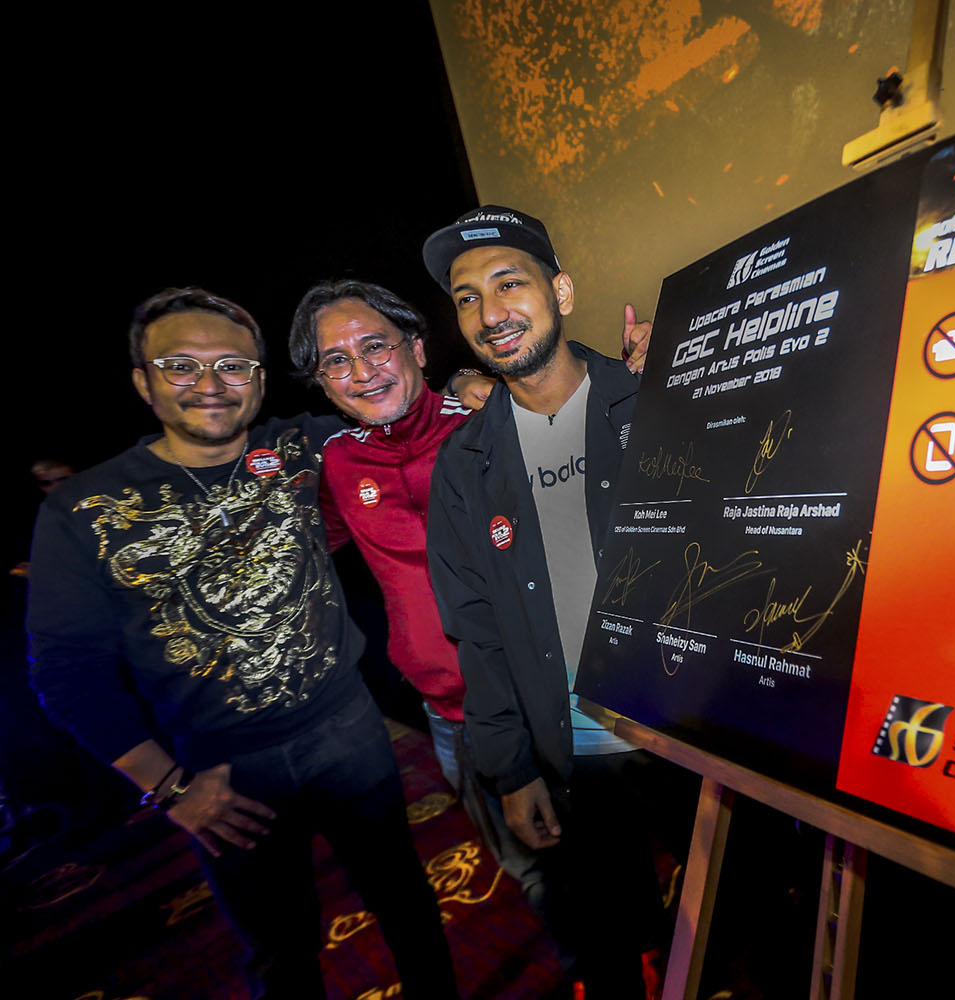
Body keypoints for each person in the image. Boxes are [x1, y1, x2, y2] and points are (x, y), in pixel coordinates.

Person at [27, 287, 458, 999]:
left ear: (259, 379)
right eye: (180, 366)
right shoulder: (85, 510)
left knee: (407, 904)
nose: (209, 385)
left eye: (233, 365)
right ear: (143, 382)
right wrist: (168, 788)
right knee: (280, 951)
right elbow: (66, 675)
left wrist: (473, 385)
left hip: (349, 731)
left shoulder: (303, 444)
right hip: (221, 771)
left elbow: (402, 407)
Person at [287, 278, 649, 916]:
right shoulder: (337, 464)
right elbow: (303, 545)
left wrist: (656, 378)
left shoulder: (494, 423)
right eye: (335, 361)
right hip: (449, 713)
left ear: (418, 349)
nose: (363, 372)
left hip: (554, 694)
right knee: (533, 867)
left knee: (621, 850)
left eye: (377, 347)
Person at [423, 206, 691, 998]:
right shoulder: (464, 466)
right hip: (571, 755)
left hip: (693, 739)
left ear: (561, 291)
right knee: (610, 942)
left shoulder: (660, 400)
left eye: (510, 282)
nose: (490, 310)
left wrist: (690, 367)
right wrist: (507, 769)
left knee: (762, 911)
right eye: (467, 297)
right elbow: (476, 632)